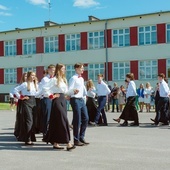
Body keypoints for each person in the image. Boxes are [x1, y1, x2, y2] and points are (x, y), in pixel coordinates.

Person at [43, 63, 76, 151]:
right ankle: (68, 143)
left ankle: (56, 143)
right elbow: (45, 88)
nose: (64, 70)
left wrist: (73, 91)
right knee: (63, 120)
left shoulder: (63, 79)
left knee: (57, 121)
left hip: (62, 100)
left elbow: (66, 91)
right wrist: (51, 96)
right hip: (56, 101)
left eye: (64, 69)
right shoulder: (54, 79)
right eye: (63, 69)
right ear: (59, 70)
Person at [14, 71, 38, 145]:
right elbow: (15, 90)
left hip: (34, 101)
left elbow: (38, 93)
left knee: (33, 120)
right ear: (28, 76)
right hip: (27, 102)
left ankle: (31, 137)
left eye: (34, 75)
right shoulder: (25, 84)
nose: (33, 77)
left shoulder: (35, 84)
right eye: (32, 75)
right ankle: (27, 139)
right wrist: (21, 97)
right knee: (29, 120)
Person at [69, 63, 89, 146]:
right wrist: (73, 91)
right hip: (75, 99)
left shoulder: (81, 79)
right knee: (77, 119)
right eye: (81, 68)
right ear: (76, 69)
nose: (83, 70)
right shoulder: (73, 78)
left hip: (81, 99)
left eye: (83, 68)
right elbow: (70, 89)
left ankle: (81, 136)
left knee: (86, 118)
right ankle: (76, 140)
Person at [40, 64, 55, 141]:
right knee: (47, 117)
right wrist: (50, 95)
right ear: (48, 70)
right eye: (51, 70)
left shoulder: (55, 78)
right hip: (46, 98)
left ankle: (51, 133)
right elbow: (44, 90)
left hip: (54, 99)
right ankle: (45, 134)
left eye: (54, 70)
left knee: (53, 117)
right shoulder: (45, 79)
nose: (53, 71)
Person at [14, 72, 27, 140]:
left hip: (28, 102)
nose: (26, 78)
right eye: (25, 76)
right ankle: (19, 132)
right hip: (22, 102)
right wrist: (20, 97)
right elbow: (15, 92)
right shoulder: (21, 85)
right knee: (20, 117)